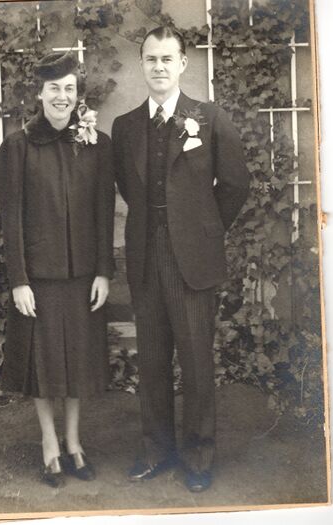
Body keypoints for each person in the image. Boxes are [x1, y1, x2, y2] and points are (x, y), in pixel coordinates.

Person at [112, 26, 249, 492]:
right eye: (151, 59)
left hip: (193, 259)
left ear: (183, 64)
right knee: (151, 360)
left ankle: (197, 455)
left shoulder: (208, 118)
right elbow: (128, 186)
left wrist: (205, 230)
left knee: (195, 361)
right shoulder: (126, 126)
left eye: (167, 59)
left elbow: (235, 184)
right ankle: (156, 450)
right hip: (145, 256)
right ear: (142, 64)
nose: (158, 67)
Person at [0, 51, 115, 487]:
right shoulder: (18, 146)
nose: (62, 97)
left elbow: (104, 211)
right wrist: (19, 281)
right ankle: (49, 443)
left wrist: (103, 271)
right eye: (54, 89)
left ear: (77, 93)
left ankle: (74, 442)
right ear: (40, 93)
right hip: (39, 279)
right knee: (44, 365)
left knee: (77, 363)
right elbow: (11, 218)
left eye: (69, 88)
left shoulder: (97, 144)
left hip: (83, 276)